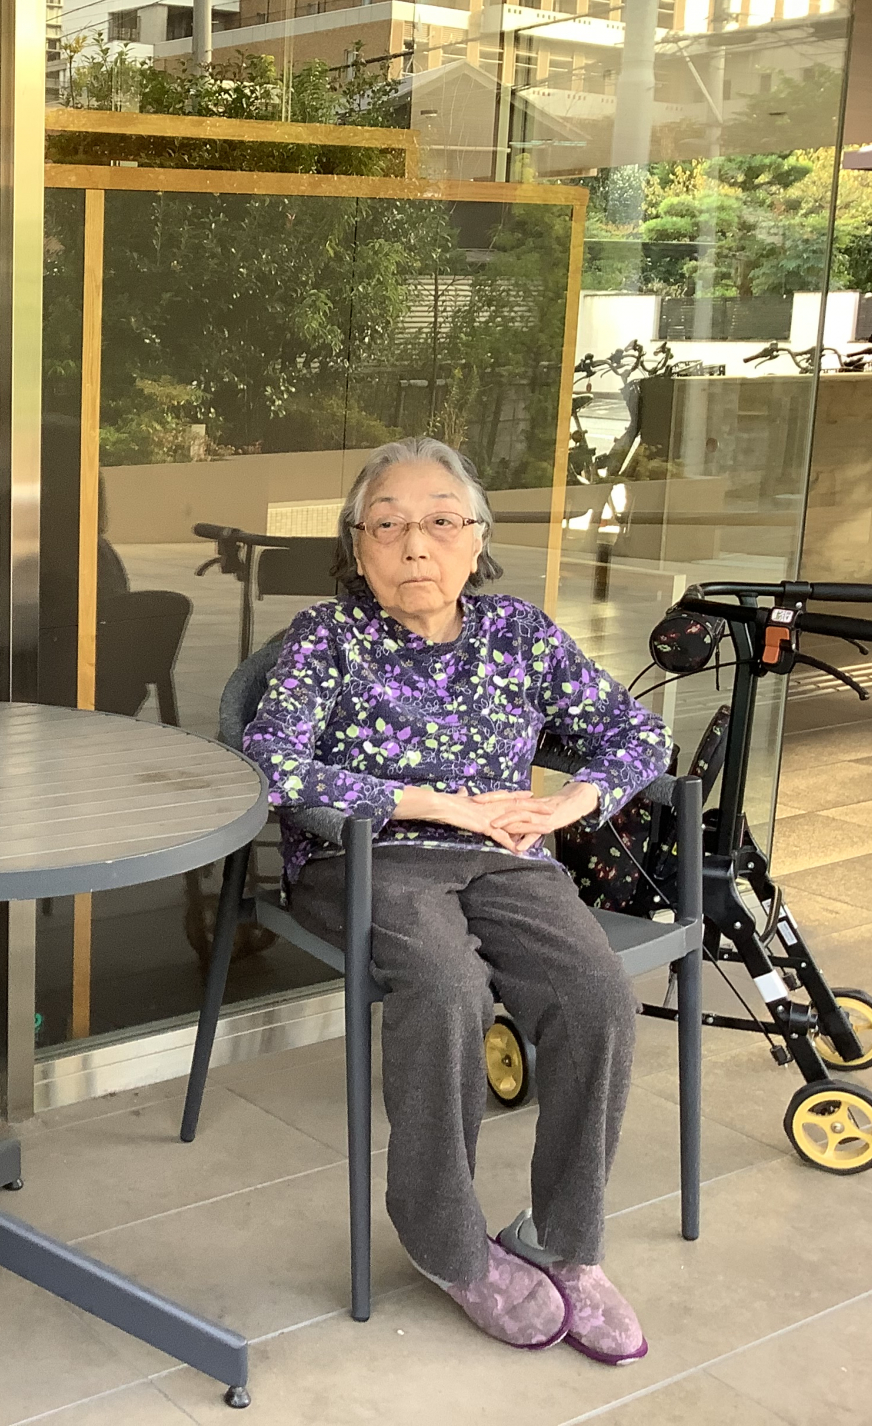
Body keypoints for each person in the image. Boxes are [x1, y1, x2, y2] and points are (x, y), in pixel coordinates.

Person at [241, 436, 670, 1366]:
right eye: (387, 525)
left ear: (477, 539)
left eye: (441, 522)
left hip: (509, 859)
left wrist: (572, 801)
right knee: (446, 990)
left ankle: (565, 1241)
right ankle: (445, 1240)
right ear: (357, 548)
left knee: (596, 995)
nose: (414, 545)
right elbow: (269, 761)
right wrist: (439, 803)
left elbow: (636, 731)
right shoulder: (328, 637)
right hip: (367, 857)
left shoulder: (519, 633)